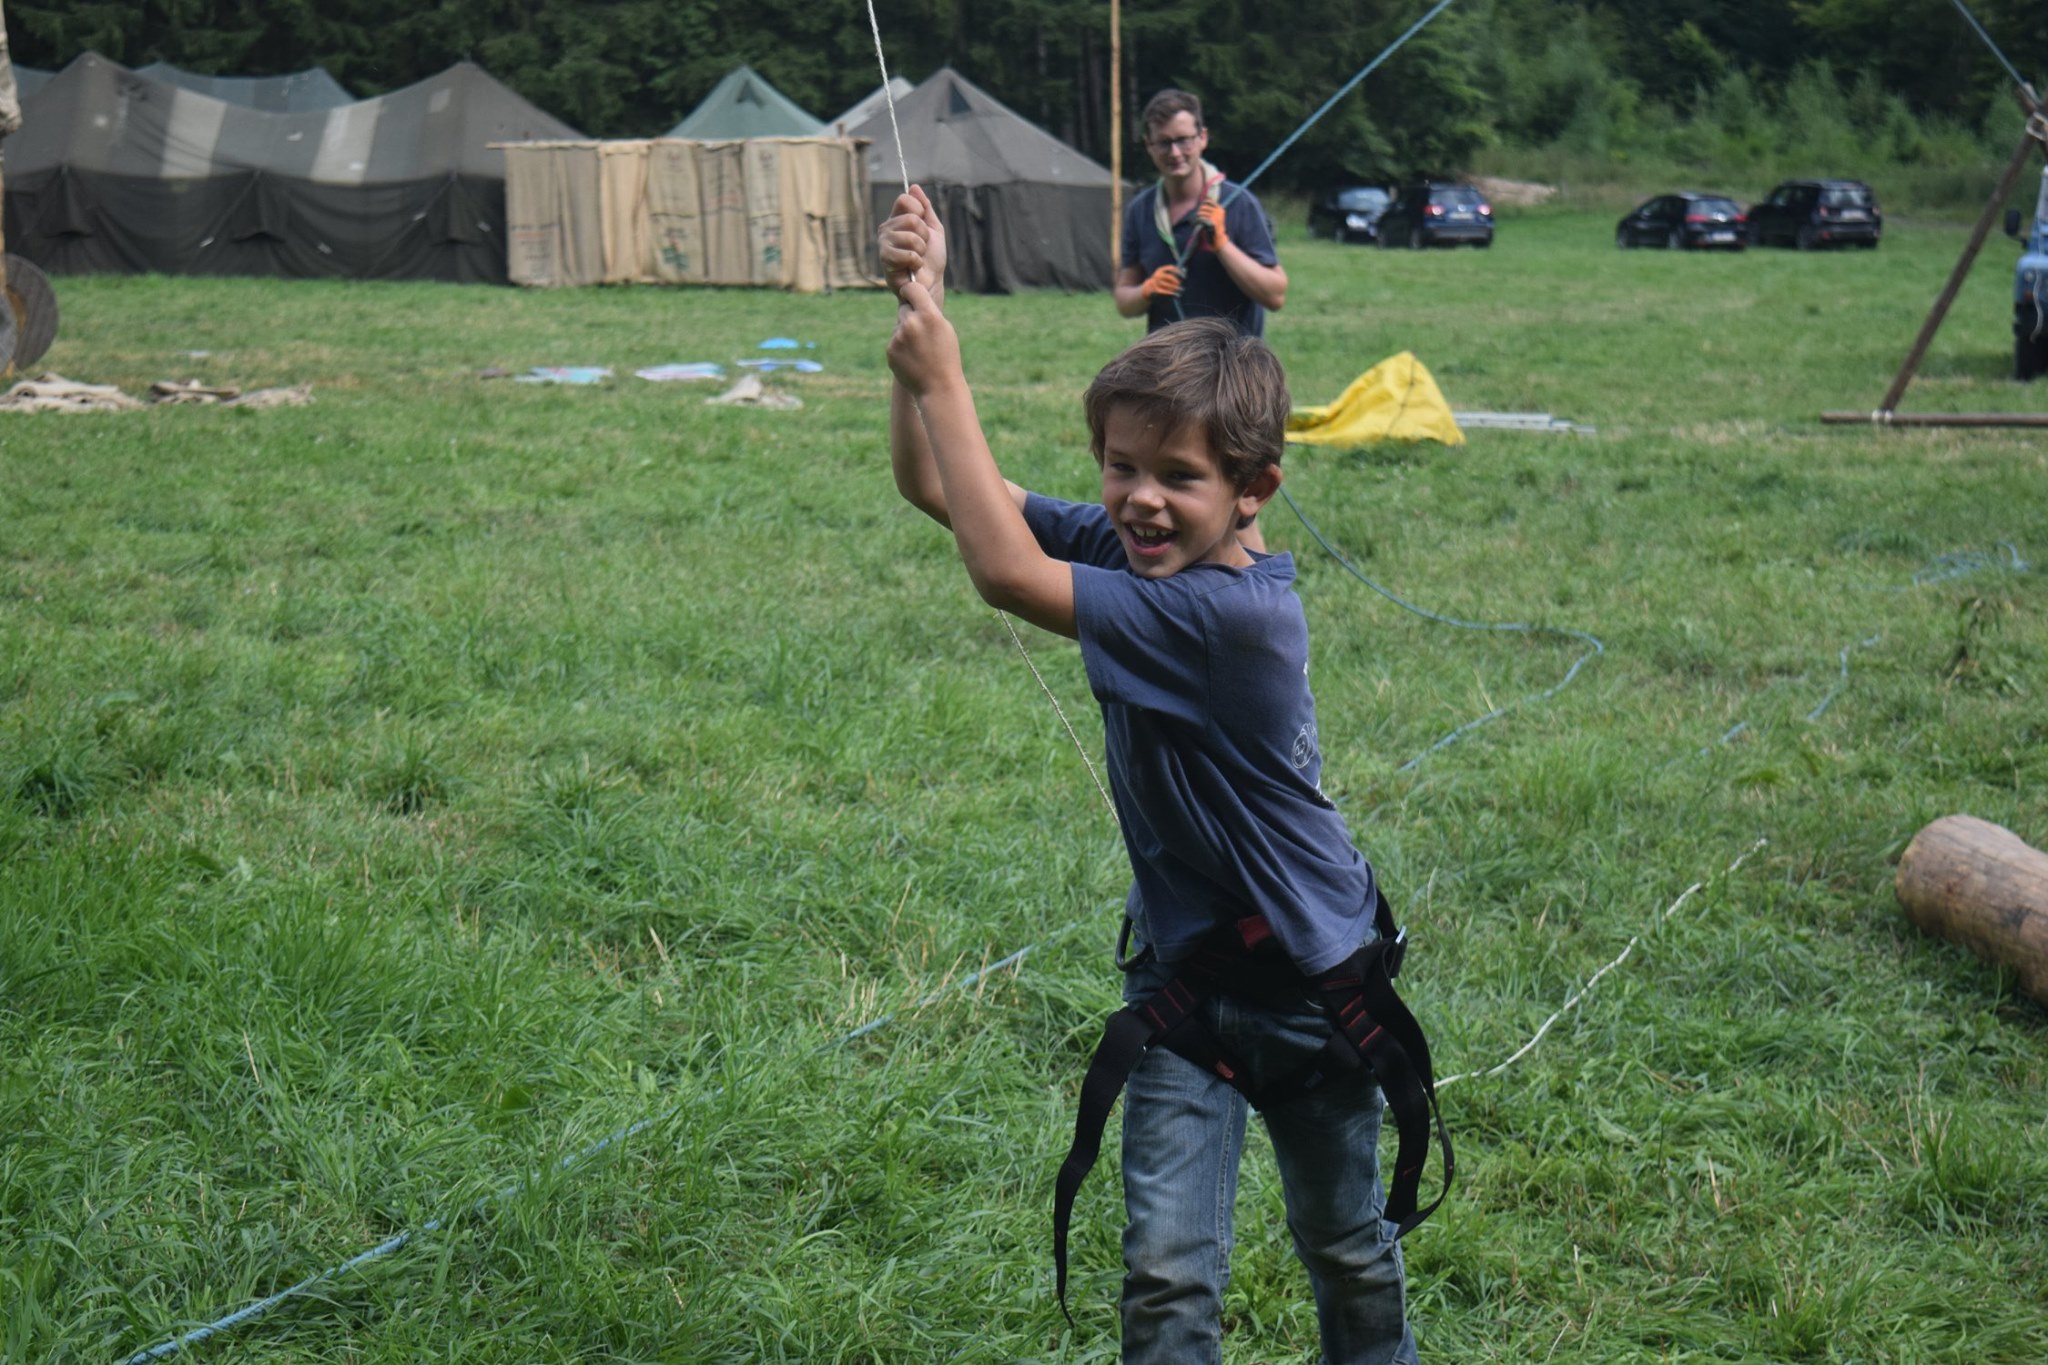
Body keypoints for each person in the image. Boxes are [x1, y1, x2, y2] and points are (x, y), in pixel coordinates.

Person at [881, 186, 1420, 1365]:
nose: (1138, 499)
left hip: (1310, 988)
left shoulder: (1228, 617)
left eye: (1176, 475)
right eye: (1120, 467)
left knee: (1344, 1248)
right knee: (1167, 1276)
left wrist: (948, 377)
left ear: (1253, 491)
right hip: (1185, 984)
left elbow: (1005, 578)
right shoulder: (1145, 542)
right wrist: (912, 322)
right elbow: (938, 492)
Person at [1114, 89, 1288, 339]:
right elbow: (1123, 300)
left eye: (1183, 139)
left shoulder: (1238, 203)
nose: (1174, 153)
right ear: (1149, 146)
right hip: (1169, 367)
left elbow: (1275, 295)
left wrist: (1222, 245)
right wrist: (1146, 291)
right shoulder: (1140, 210)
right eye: (1164, 142)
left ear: (1202, 138)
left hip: (1233, 366)